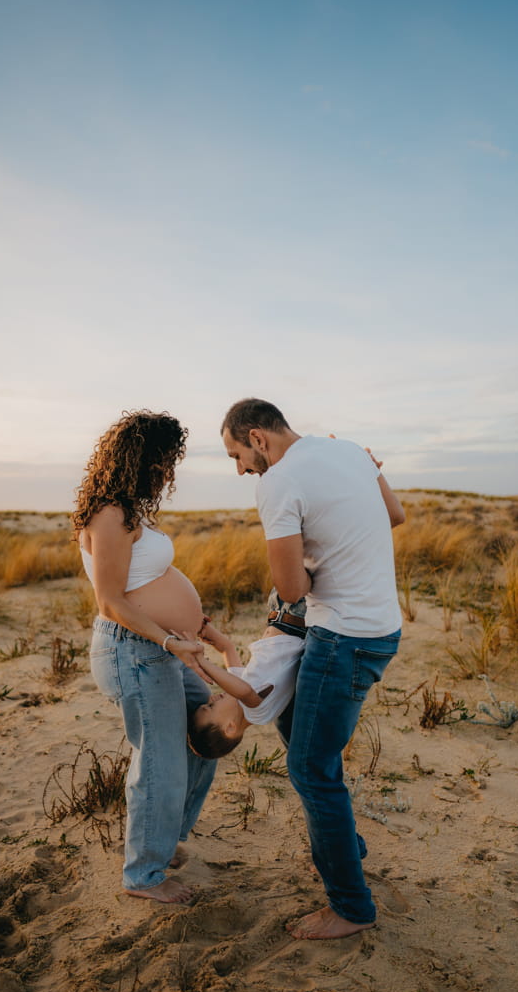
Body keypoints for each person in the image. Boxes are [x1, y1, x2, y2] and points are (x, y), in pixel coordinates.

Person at [220, 398, 406, 940]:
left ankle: (350, 906)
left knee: (309, 768)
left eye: (237, 455)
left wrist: (301, 562)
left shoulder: (276, 483)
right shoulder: (348, 451)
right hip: (379, 627)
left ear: (258, 438)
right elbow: (394, 516)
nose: (240, 470)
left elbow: (292, 590)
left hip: (342, 636)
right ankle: (344, 845)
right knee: (293, 725)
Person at [73, 409, 216, 904]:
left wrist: (197, 627)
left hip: (160, 648)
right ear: (141, 458)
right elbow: (110, 600)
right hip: (132, 651)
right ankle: (143, 875)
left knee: (207, 735)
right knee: (160, 760)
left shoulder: (133, 509)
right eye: (164, 460)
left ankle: (165, 835)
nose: (168, 471)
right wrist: (169, 639)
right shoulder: (109, 514)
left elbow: (149, 584)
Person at [187, 589, 307, 759]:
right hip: (298, 616)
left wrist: (204, 629)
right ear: (230, 727)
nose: (210, 699)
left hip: (280, 611)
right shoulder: (258, 713)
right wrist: (200, 662)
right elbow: (244, 691)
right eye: (210, 707)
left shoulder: (242, 694)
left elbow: (227, 648)